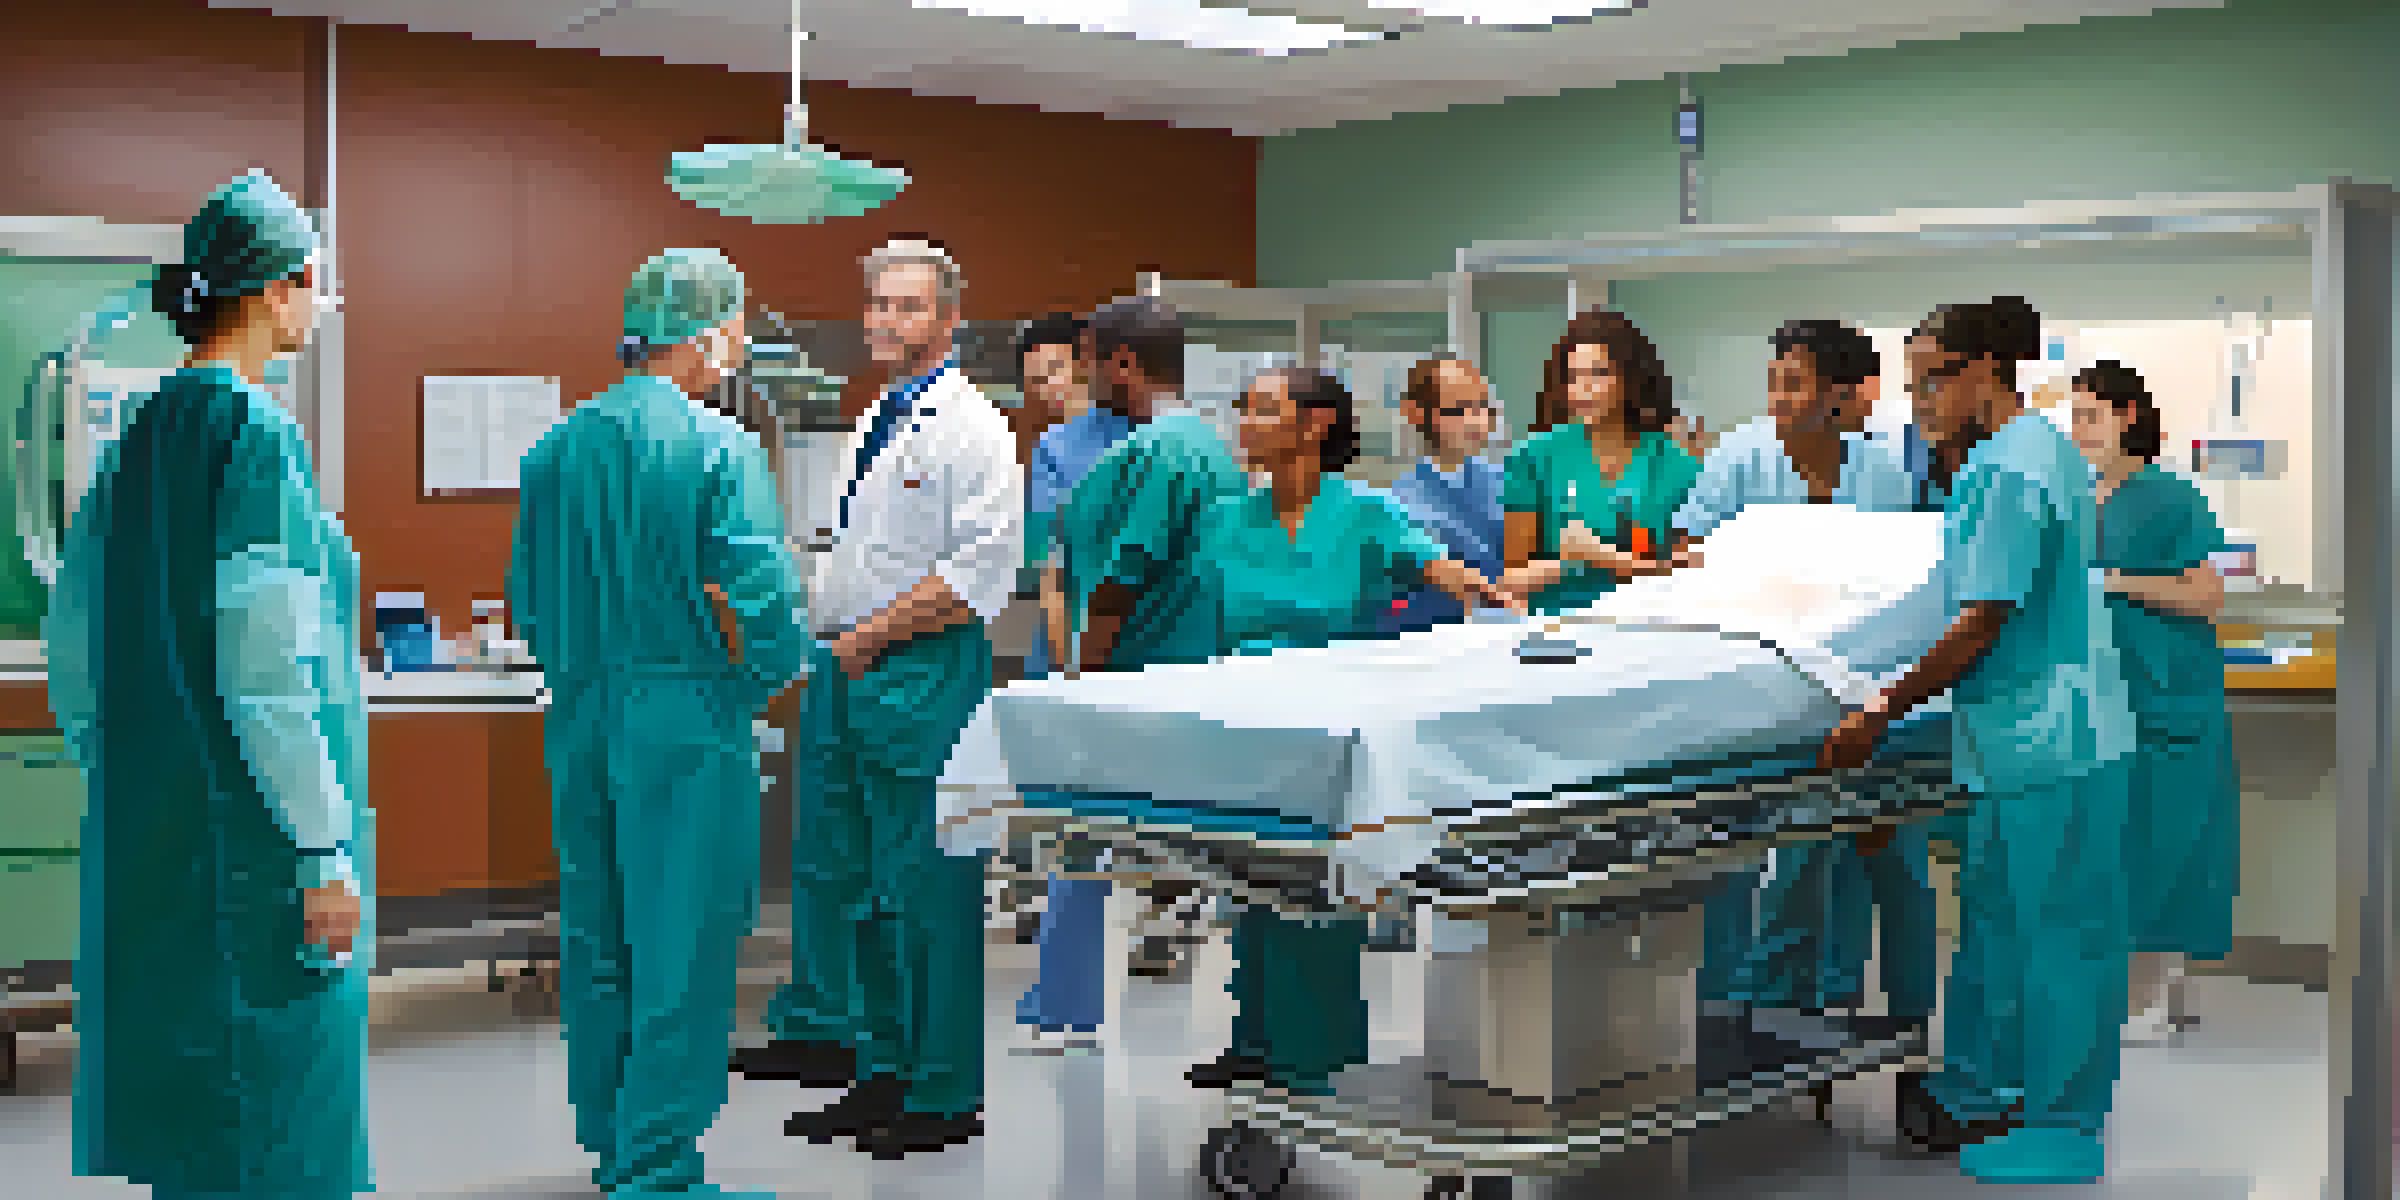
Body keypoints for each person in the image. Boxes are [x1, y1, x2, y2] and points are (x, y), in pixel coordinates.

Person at [45, 170, 374, 1200]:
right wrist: (320, 845)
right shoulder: (253, 433)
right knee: (268, 1115)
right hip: (255, 845)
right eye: (318, 287)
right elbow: (268, 669)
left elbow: (76, 643)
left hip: (162, 832)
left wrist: (141, 775)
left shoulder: (139, 436)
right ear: (289, 283)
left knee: (191, 1113)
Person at [1821, 296, 2136, 1184]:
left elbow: (1981, 621)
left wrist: (1881, 710)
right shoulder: (2013, 456)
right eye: (1913, 385)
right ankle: (1987, 1091)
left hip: (2056, 741)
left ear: (1985, 372)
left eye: (1932, 382)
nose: (1919, 401)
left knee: (2061, 934)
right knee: (1999, 925)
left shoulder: (2013, 469)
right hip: (2015, 739)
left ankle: (2066, 1120)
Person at [509, 249, 804, 1199]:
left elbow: (530, 598)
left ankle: (612, 1133)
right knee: (683, 938)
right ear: (712, 334)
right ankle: (658, 1163)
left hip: (585, 713)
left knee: (601, 931)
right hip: (683, 719)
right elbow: (759, 600)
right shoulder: (721, 448)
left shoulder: (555, 449)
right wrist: (752, 683)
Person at [743, 240, 1022, 1159]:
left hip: (921, 670)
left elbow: (978, 571)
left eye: (908, 307)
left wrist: (868, 637)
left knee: (927, 887)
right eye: (878, 305)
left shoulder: (972, 428)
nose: (886, 321)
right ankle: (882, 1068)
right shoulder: (875, 419)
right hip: (848, 669)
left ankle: (945, 1093)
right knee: (852, 882)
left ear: (949, 321)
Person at [1182, 367, 1508, 1095]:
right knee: (1250, 889)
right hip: (1247, 728)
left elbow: (1434, 564)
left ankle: (1313, 1060)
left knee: (1318, 895)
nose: (1246, 422)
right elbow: (1200, 628)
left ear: (1314, 426)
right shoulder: (1228, 519)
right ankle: (1254, 1043)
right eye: (1246, 407)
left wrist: (1480, 590)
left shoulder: (1361, 512)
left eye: (1264, 410)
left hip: (1330, 736)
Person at [1669, 321, 1937, 1100]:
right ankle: (1776, 1029)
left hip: (1879, 694)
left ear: (1846, 394)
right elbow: (1687, 545)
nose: (1781, 399)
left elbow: (1925, 561)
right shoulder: (1743, 455)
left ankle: (1913, 1034)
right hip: (1775, 694)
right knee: (1790, 865)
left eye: (1798, 383)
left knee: (1893, 862)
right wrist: (1757, 572)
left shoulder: (1896, 460)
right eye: (1775, 381)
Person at [1057, 297, 1248, 980]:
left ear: (1125, 363)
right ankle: (1172, 913)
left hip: (1145, 669)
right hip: (1198, 664)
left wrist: (1086, 676)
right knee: (1179, 821)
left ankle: (1143, 933)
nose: (1086, 377)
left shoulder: (1155, 452)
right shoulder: (1211, 445)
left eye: (1089, 362)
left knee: (1129, 827)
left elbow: (1119, 580)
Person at [2068, 360, 2237, 1044]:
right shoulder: (2085, 499)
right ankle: (2142, 993)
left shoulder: (2169, 497)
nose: (2078, 430)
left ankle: (2149, 1000)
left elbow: (2205, 595)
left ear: (2127, 416)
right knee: (2116, 848)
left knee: (2166, 845)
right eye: (2073, 417)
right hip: (2111, 698)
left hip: (2170, 696)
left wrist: (2118, 583)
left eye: (2090, 416)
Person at [1013, 308, 1135, 1039]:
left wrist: (1070, 666)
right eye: (1033, 383)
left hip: (1101, 649)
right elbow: (1048, 568)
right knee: (1073, 830)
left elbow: (1059, 573)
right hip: (1083, 648)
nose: (1047, 390)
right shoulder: (1057, 447)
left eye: (1056, 370)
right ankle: (1064, 997)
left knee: (1081, 826)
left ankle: (1066, 1000)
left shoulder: (1136, 440)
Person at [1496, 308, 1703, 615]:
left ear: (1629, 377)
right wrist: (1568, 562)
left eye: (1597, 373)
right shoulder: (1533, 459)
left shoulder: (1676, 464)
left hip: (1649, 630)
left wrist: (1604, 557)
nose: (1584, 388)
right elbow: (1511, 582)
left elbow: (1693, 572)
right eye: (1574, 377)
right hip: (1563, 634)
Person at [1379, 355, 1506, 635]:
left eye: (1484, 407)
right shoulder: (1401, 500)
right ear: (1416, 413)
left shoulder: (1508, 481)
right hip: (1435, 638)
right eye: (1459, 409)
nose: (1477, 420)